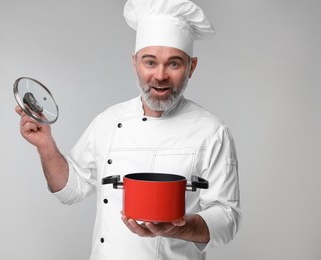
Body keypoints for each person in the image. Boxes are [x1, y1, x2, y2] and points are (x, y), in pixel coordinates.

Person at [16, 0, 241, 259]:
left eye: (174, 64)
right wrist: (46, 146)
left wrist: (178, 227)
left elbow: (228, 218)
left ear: (191, 67)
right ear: (135, 63)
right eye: (150, 62)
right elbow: (70, 190)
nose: (160, 75)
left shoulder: (212, 131)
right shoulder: (108, 121)